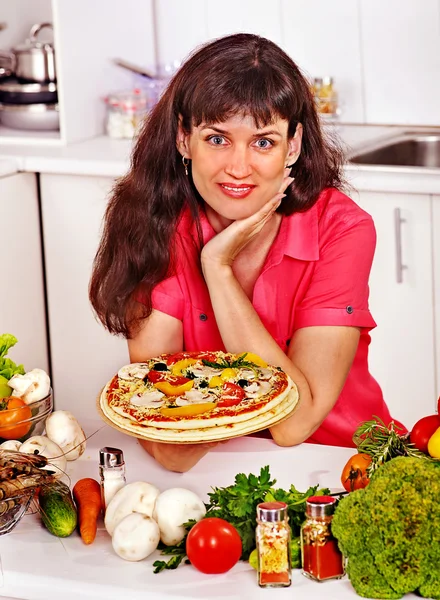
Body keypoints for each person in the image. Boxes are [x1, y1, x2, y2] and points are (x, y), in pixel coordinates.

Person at [90, 33, 402, 472]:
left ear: (292, 145)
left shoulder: (342, 228)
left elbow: (295, 425)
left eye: (263, 142)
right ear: (184, 139)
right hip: (216, 474)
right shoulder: (153, 224)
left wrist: (218, 270)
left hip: (343, 464)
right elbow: (171, 448)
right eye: (217, 139)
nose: (238, 168)